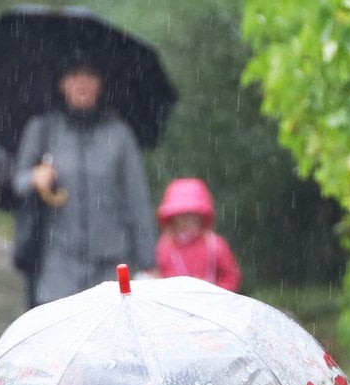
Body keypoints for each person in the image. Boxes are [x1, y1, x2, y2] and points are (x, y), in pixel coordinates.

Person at [13, 62, 157, 307]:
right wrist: (34, 178)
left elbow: (137, 199)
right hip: (57, 259)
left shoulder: (120, 134)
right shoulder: (43, 129)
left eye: (90, 75)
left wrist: (149, 262)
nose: (82, 83)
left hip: (110, 262)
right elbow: (18, 181)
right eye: (74, 75)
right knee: (59, 336)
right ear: (62, 84)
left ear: (100, 84)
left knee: (108, 337)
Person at [154, 178, 241, 291]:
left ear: (201, 217)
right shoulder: (165, 248)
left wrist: (217, 292)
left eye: (191, 215)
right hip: (177, 303)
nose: (186, 221)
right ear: (172, 219)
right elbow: (160, 278)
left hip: (212, 303)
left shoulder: (215, 245)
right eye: (181, 216)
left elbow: (231, 276)